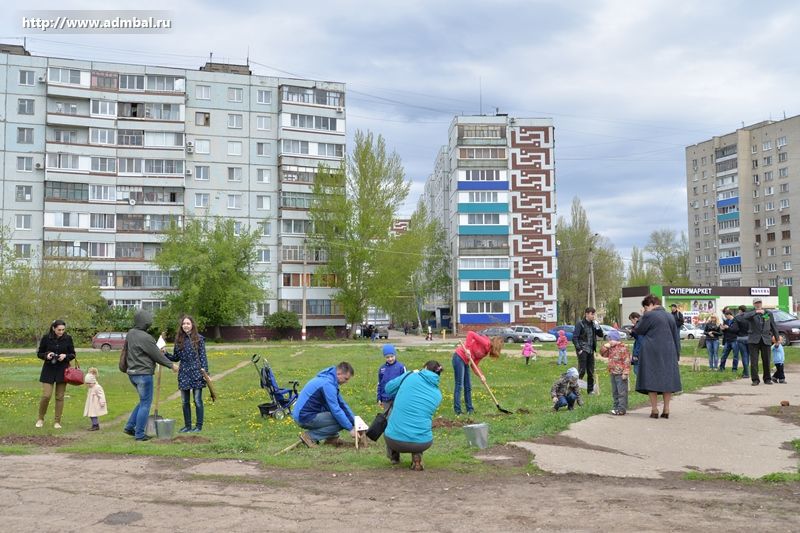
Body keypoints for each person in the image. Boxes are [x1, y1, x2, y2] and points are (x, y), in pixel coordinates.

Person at [123, 309, 178, 441]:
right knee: (146, 403)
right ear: (146, 323)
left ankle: (130, 427)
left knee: (143, 401)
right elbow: (157, 355)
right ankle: (140, 434)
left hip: (132, 374)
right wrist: (172, 365)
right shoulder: (146, 338)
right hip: (144, 374)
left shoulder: (130, 333)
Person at [384, 360, 444, 471]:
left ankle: (394, 457)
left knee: (393, 420)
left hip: (394, 440)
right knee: (417, 423)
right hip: (422, 442)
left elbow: (388, 388)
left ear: (425, 368)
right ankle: (417, 457)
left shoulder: (410, 375)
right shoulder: (438, 395)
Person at [633, 294, 681, 419]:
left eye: (645, 307)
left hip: (651, 351)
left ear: (651, 304)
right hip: (669, 351)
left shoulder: (649, 315)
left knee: (651, 379)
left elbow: (638, 330)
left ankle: (654, 410)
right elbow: (676, 336)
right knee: (667, 379)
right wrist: (677, 354)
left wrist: (642, 316)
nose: (645, 309)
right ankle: (666, 409)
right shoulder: (670, 316)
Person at [294, 362, 357, 447]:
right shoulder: (328, 384)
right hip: (304, 417)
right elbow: (336, 410)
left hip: (306, 414)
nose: (346, 382)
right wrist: (350, 428)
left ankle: (331, 439)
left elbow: (342, 404)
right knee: (340, 420)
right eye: (346, 379)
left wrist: (355, 422)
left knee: (341, 418)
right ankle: (309, 437)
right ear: (339, 373)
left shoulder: (329, 380)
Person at [165, 315, 209, 433]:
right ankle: (187, 426)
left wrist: (206, 373)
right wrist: (165, 353)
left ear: (192, 325)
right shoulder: (179, 340)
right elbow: (175, 357)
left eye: (188, 323)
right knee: (185, 401)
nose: (186, 325)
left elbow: (203, 357)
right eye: (184, 324)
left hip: (197, 373)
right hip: (183, 372)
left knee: (197, 400)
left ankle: (198, 426)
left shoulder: (199, 339)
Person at [36, 319, 76, 429]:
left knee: (60, 397)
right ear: (54, 328)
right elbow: (39, 353)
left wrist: (65, 356)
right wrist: (46, 355)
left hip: (63, 371)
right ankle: (40, 419)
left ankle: (57, 422)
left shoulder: (68, 338)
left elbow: (73, 354)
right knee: (46, 395)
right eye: (59, 330)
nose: (61, 332)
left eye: (63, 330)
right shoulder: (46, 338)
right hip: (48, 370)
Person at [452, 331, 503, 415]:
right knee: (459, 385)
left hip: (465, 362)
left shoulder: (486, 352)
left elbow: (474, 365)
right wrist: (467, 349)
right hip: (459, 357)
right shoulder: (485, 342)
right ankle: (458, 411)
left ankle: (470, 410)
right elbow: (470, 334)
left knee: (468, 387)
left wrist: (481, 375)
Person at [742, 298, 779, 386]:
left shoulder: (768, 313)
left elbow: (773, 326)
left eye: (759, 303)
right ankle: (755, 380)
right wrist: (756, 312)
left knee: (766, 360)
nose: (758, 304)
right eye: (756, 303)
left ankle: (767, 379)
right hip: (753, 340)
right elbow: (744, 317)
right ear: (753, 304)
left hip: (766, 339)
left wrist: (777, 339)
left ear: (762, 303)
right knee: (754, 361)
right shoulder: (750, 313)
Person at [573, 307, 604, 395]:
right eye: (592, 314)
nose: (593, 316)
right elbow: (575, 337)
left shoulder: (593, 324)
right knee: (582, 370)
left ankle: (590, 390)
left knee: (591, 371)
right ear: (586, 314)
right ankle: (575, 389)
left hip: (591, 350)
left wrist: (597, 325)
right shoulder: (580, 324)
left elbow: (601, 334)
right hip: (583, 350)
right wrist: (579, 349)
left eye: (594, 314)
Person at [600, 330, 631, 416]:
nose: (609, 341)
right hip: (613, 372)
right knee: (615, 392)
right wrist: (605, 347)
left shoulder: (623, 348)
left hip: (621, 373)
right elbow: (602, 353)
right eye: (608, 340)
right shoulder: (610, 348)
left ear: (616, 339)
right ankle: (616, 407)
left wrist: (625, 372)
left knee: (622, 392)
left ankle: (622, 409)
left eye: (610, 339)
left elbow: (627, 361)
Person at [377, 344, 406, 409]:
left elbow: (405, 383)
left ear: (395, 355)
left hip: (397, 398)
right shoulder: (382, 369)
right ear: (384, 357)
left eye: (392, 356)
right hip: (385, 399)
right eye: (387, 357)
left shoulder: (401, 367)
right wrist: (379, 398)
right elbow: (380, 384)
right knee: (387, 417)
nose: (390, 359)